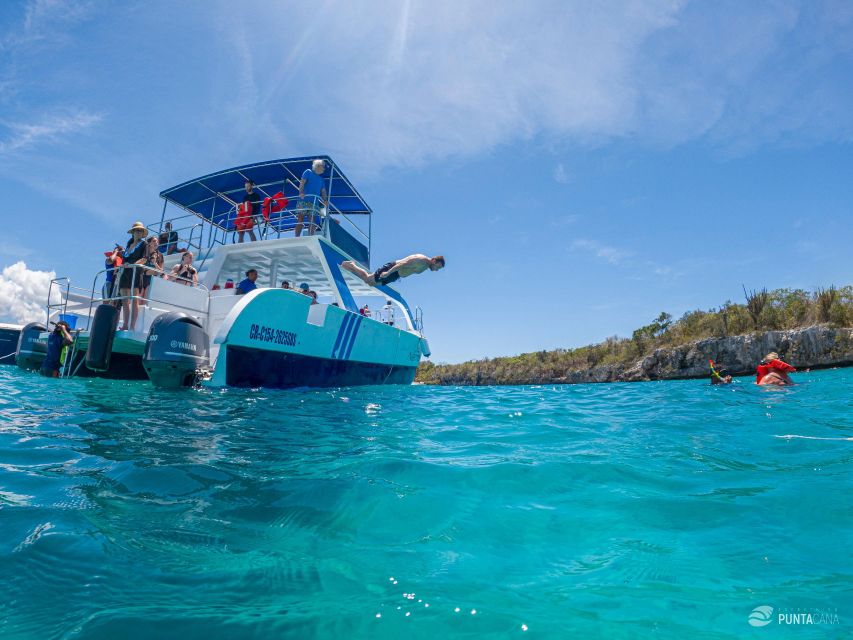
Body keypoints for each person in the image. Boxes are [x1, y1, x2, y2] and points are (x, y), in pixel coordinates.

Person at [118, 221, 150, 331]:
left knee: (134, 300)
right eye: (137, 230)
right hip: (125, 273)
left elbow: (145, 259)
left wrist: (132, 265)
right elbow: (124, 259)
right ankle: (125, 325)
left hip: (135, 272)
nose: (139, 232)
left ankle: (132, 326)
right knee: (124, 300)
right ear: (133, 232)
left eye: (141, 231)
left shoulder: (145, 244)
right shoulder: (128, 244)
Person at [342, 254, 445, 286]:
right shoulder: (421, 260)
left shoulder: (425, 266)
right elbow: (402, 263)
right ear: (433, 260)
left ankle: (351, 268)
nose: (436, 270)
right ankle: (352, 265)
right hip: (393, 269)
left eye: (438, 269)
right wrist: (388, 272)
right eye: (437, 267)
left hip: (396, 275)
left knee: (371, 283)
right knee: (368, 279)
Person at [296, 159, 328, 237]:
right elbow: (302, 182)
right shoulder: (308, 172)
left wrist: (325, 200)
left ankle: (310, 237)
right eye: (323, 167)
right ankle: (297, 237)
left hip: (314, 203)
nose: (324, 169)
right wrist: (301, 193)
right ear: (318, 166)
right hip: (303, 200)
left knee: (312, 220)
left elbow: (323, 191)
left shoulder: (321, 179)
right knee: (300, 219)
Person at [138, 235, 165, 301]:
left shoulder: (160, 255)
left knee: (145, 300)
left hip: (151, 279)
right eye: (154, 241)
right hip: (140, 278)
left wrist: (155, 263)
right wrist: (145, 272)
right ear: (149, 243)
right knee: (138, 299)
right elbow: (137, 265)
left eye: (157, 242)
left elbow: (161, 271)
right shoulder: (142, 252)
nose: (156, 243)